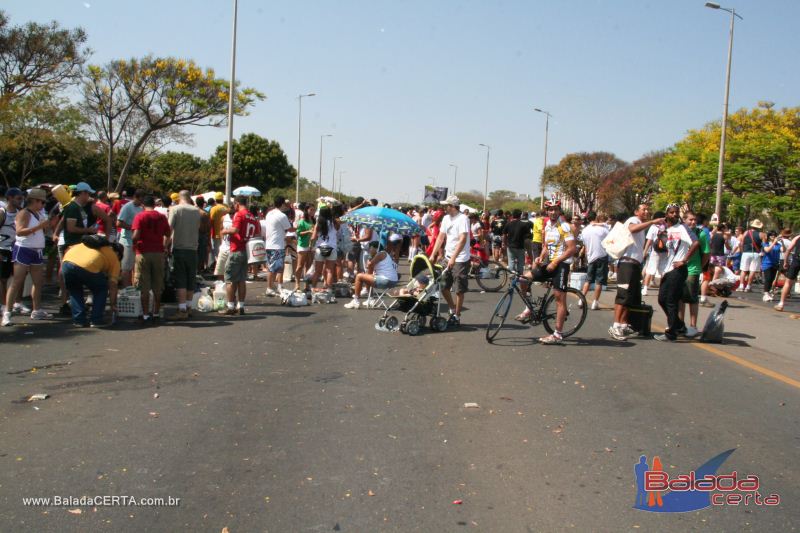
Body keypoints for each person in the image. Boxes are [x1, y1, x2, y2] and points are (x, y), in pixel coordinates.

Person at [517, 201, 577, 344]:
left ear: (559, 211)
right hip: (549, 263)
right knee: (523, 280)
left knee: (559, 298)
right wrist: (540, 257)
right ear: (547, 211)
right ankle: (529, 308)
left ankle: (557, 334)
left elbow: (572, 249)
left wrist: (555, 262)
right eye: (550, 210)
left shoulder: (565, 227)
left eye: (556, 210)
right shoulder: (547, 225)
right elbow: (546, 246)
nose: (553, 212)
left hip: (561, 264)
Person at [609, 203, 664, 341]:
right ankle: (615, 325)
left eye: (647, 209)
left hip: (635, 264)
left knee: (631, 297)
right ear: (636, 211)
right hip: (627, 263)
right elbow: (631, 229)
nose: (646, 211)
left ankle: (623, 325)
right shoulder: (633, 220)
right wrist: (652, 222)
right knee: (623, 295)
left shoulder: (641, 223)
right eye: (643, 209)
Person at [2, 188, 53, 326]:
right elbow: (19, 231)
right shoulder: (24, 213)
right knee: (16, 282)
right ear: (35, 201)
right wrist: (39, 227)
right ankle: (7, 313)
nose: (43, 205)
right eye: (42, 202)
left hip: (37, 250)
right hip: (24, 249)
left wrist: (45, 226)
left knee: (38, 282)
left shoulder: (37, 214)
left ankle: (36, 310)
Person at [654, 204, 699, 342]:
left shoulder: (682, 228)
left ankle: (671, 332)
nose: (674, 214)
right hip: (667, 269)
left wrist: (684, 260)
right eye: (671, 212)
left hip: (678, 270)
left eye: (676, 212)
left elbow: (695, 243)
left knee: (671, 301)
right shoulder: (667, 229)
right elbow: (663, 249)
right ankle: (679, 326)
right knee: (662, 299)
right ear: (667, 214)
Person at [62, 240, 121, 327]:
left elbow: (67, 249)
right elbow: (113, 285)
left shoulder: (87, 243)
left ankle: (79, 320)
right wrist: (113, 304)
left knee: (75, 291)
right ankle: (96, 320)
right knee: (101, 289)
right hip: (88, 264)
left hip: (67, 262)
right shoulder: (114, 258)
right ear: (117, 253)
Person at [430, 195, 470, 326]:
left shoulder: (463, 219)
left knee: (459, 289)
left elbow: (463, 239)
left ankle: (457, 316)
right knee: (443, 285)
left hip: (461, 259)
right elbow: (441, 237)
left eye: (446, 205)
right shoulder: (446, 218)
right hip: (448, 257)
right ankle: (453, 309)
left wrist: (454, 257)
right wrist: (433, 254)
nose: (444, 207)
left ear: (452, 206)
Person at [132, 195, 171, 325]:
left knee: (144, 285)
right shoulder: (161, 217)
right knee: (157, 285)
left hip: (143, 252)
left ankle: (145, 315)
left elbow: (136, 235)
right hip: (158, 252)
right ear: (154, 205)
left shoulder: (140, 216)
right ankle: (155, 313)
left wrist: (134, 243)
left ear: (143, 205)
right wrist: (164, 247)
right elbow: (168, 234)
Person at [219, 195, 258, 315]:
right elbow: (257, 232)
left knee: (230, 279)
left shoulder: (239, 214)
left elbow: (235, 230)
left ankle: (230, 306)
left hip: (236, 249)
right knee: (241, 280)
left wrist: (224, 231)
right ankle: (241, 306)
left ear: (237, 203)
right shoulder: (251, 216)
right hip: (247, 250)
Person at [167, 191, 201, 320]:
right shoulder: (196, 210)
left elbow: (169, 229)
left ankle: (182, 310)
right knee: (190, 279)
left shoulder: (175, 209)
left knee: (181, 280)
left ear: (179, 198)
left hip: (179, 248)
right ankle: (188, 307)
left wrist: (165, 245)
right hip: (193, 249)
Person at [677, 211, 708, 337]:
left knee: (691, 297)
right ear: (684, 220)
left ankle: (693, 326)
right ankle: (680, 325)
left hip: (692, 270)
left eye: (694, 220)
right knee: (679, 298)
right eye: (690, 219)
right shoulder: (679, 232)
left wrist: (700, 266)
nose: (693, 222)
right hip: (679, 268)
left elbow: (706, 253)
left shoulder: (701, 234)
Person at [344, 241, 399, 309]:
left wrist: (370, 258)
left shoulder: (381, 254)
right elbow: (369, 270)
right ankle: (370, 299)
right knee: (367, 276)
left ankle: (356, 301)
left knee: (359, 276)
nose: (369, 250)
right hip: (393, 281)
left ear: (376, 248)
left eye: (371, 248)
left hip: (386, 280)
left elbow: (369, 265)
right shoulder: (384, 254)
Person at [62, 182, 111, 251]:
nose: (89, 196)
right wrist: (89, 230)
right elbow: (71, 228)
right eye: (89, 193)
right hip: (73, 246)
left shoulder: (79, 207)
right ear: (82, 193)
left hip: (79, 245)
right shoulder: (73, 207)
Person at [262, 196, 292, 297]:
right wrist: (298, 229)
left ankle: (275, 286)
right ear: (282, 204)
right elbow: (289, 229)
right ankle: (269, 288)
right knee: (274, 268)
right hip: (277, 245)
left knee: (275, 267)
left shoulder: (269, 213)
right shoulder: (281, 215)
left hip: (270, 244)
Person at [0, 188, 24, 317]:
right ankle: (3, 305)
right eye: (18, 198)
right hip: (3, 249)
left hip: (17, 249)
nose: (21, 201)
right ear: (9, 198)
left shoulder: (21, 212)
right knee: (3, 279)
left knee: (18, 277)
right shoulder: (2, 213)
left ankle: (17, 303)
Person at [580, 211, 610, 310]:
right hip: (602, 255)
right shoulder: (603, 229)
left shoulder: (584, 230)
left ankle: (581, 299)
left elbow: (585, 245)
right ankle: (595, 302)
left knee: (588, 279)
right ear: (596, 217)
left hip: (591, 257)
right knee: (599, 281)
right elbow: (610, 237)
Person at [116, 189, 144, 287]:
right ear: (136, 197)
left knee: (134, 267)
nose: (142, 201)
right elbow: (118, 223)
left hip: (136, 241)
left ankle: (132, 288)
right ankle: (126, 289)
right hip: (126, 241)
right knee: (126, 268)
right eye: (141, 199)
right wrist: (133, 228)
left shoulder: (141, 208)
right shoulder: (127, 207)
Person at [309, 206, 339, 290]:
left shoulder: (318, 223)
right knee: (329, 271)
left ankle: (313, 288)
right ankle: (328, 289)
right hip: (331, 247)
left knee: (317, 271)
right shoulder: (335, 222)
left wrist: (311, 247)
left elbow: (313, 237)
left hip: (320, 247)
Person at [641, 211, 667, 296]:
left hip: (655, 251)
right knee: (663, 271)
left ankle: (645, 289)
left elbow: (649, 240)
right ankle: (662, 290)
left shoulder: (653, 227)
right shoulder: (667, 226)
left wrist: (644, 251)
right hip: (665, 251)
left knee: (650, 270)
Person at [737, 219, 765, 292]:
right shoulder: (761, 234)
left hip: (746, 252)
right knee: (752, 270)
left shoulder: (746, 232)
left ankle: (741, 285)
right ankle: (748, 286)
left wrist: (743, 251)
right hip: (756, 253)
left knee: (743, 270)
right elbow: (764, 246)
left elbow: (742, 243)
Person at [775, 233, 799, 312]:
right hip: (796, 261)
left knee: (788, 282)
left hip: (796, 261)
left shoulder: (797, 237)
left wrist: (785, 262)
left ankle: (781, 304)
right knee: (788, 282)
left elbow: (788, 249)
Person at [502, 209, 531, 274]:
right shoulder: (523, 225)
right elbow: (527, 236)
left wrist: (503, 243)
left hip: (510, 246)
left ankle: (512, 276)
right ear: (520, 215)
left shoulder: (508, 224)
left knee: (511, 261)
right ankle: (519, 276)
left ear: (512, 215)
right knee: (520, 262)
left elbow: (504, 235)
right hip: (520, 246)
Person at [761, 231, 782, 302]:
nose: (773, 237)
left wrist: (782, 243)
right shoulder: (765, 243)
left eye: (774, 235)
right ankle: (765, 293)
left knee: (772, 279)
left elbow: (783, 250)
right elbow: (767, 250)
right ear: (769, 237)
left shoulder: (778, 245)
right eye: (771, 235)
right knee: (768, 278)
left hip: (775, 263)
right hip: (767, 263)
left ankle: (768, 292)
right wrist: (773, 243)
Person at [209, 192, 228, 267]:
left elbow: (211, 221)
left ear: (215, 199)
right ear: (222, 199)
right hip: (225, 233)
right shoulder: (227, 207)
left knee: (216, 252)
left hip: (216, 233)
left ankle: (217, 267)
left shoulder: (214, 208)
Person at [195, 196, 212, 272]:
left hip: (193, 234)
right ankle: (199, 269)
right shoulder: (205, 213)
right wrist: (208, 241)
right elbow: (208, 227)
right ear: (203, 203)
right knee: (201, 253)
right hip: (202, 235)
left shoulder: (193, 211)